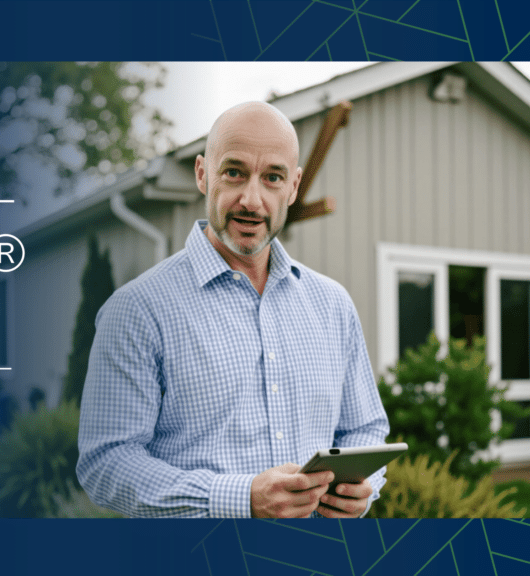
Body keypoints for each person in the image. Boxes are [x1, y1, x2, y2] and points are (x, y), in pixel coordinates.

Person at [76, 101, 390, 518]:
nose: (251, 199)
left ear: (294, 187)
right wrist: (241, 498)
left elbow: (366, 429)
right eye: (234, 172)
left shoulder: (333, 305)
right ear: (204, 175)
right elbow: (106, 463)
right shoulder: (136, 310)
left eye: (273, 177)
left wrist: (365, 488)